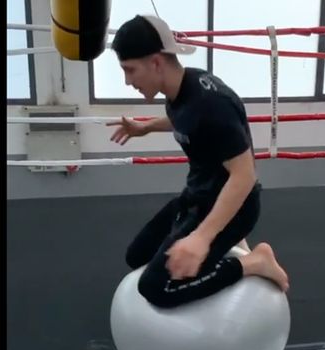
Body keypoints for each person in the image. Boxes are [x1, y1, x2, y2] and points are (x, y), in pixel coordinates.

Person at [107, 14, 289, 309]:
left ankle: (254, 262)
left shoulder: (213, 105)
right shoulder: (179, 89)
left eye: (130, 70)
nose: (128, 81)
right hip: (197, 196)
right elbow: (184, 118)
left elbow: (244, 176)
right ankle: (229, 243)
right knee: (136, 256)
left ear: (156, 62)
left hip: (234, 208)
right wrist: (146, 127)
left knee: (156, 288)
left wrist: (201, 238)